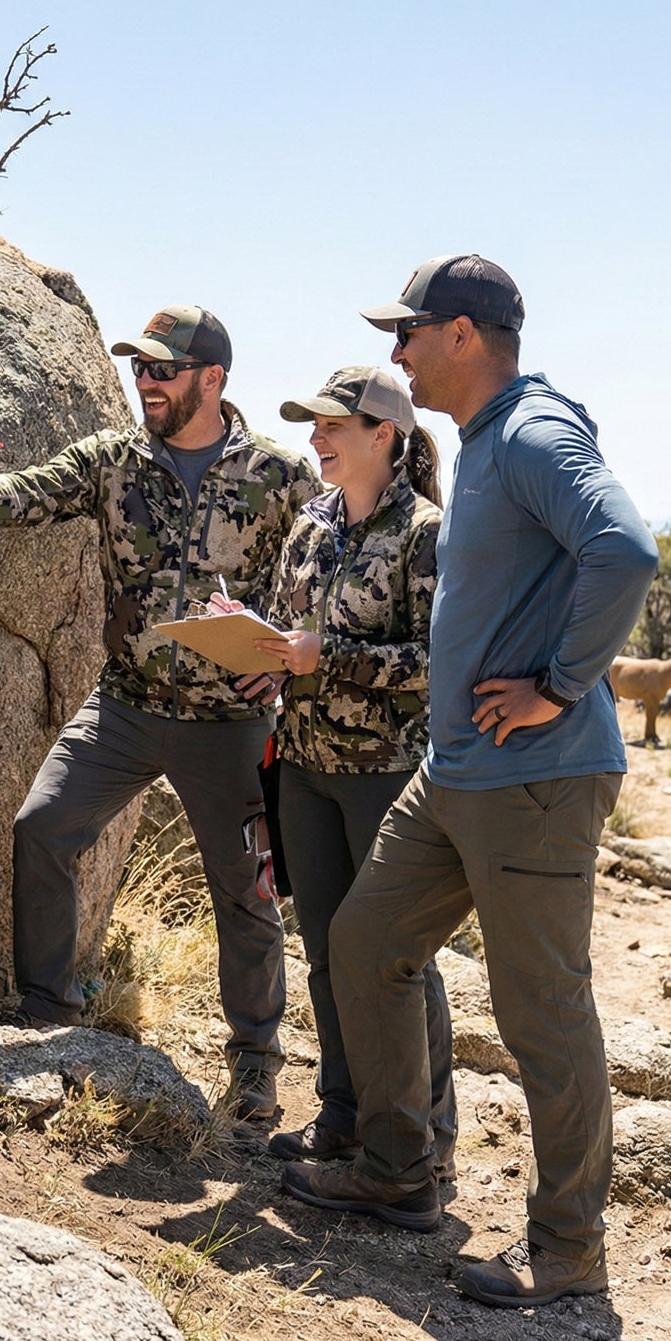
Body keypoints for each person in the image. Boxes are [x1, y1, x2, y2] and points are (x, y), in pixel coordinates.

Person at [277, 255, 658, 1309]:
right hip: (451, 774)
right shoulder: (490, 443)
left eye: (406, 333)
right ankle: (397, 1167)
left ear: (459, 333)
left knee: (542, 1012)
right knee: (360, 944)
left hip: (533, 778)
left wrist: (555, 682)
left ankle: (568, 1247)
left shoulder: (534, 430)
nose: (394, 353)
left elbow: (621, 549)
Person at [0, 305, 320, 1118]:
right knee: (42, 827)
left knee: (246, 892)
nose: (145, 380)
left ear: (212, 379)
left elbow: (324, 572)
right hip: (124, 705)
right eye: (140, 366)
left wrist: (295, 660)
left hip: (231, 724)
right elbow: (30, 489)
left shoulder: (280, 475)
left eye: (162, 368)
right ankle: (52, 1017)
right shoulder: (112, 459)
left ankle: (257, 1065)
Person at [227, 367, 456, 1175]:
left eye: (331, 426)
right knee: (326, 950)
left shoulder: (427, 531)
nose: (315, 439)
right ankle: (344, 1115)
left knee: (394, 958)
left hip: (386, 776)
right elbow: (291, 635)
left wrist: (329, 659)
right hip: (302, 768)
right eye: (311, 425)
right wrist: (266, 658)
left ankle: (428, 1137)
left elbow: (438, 660)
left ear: (382, 434)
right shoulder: (309, 523)